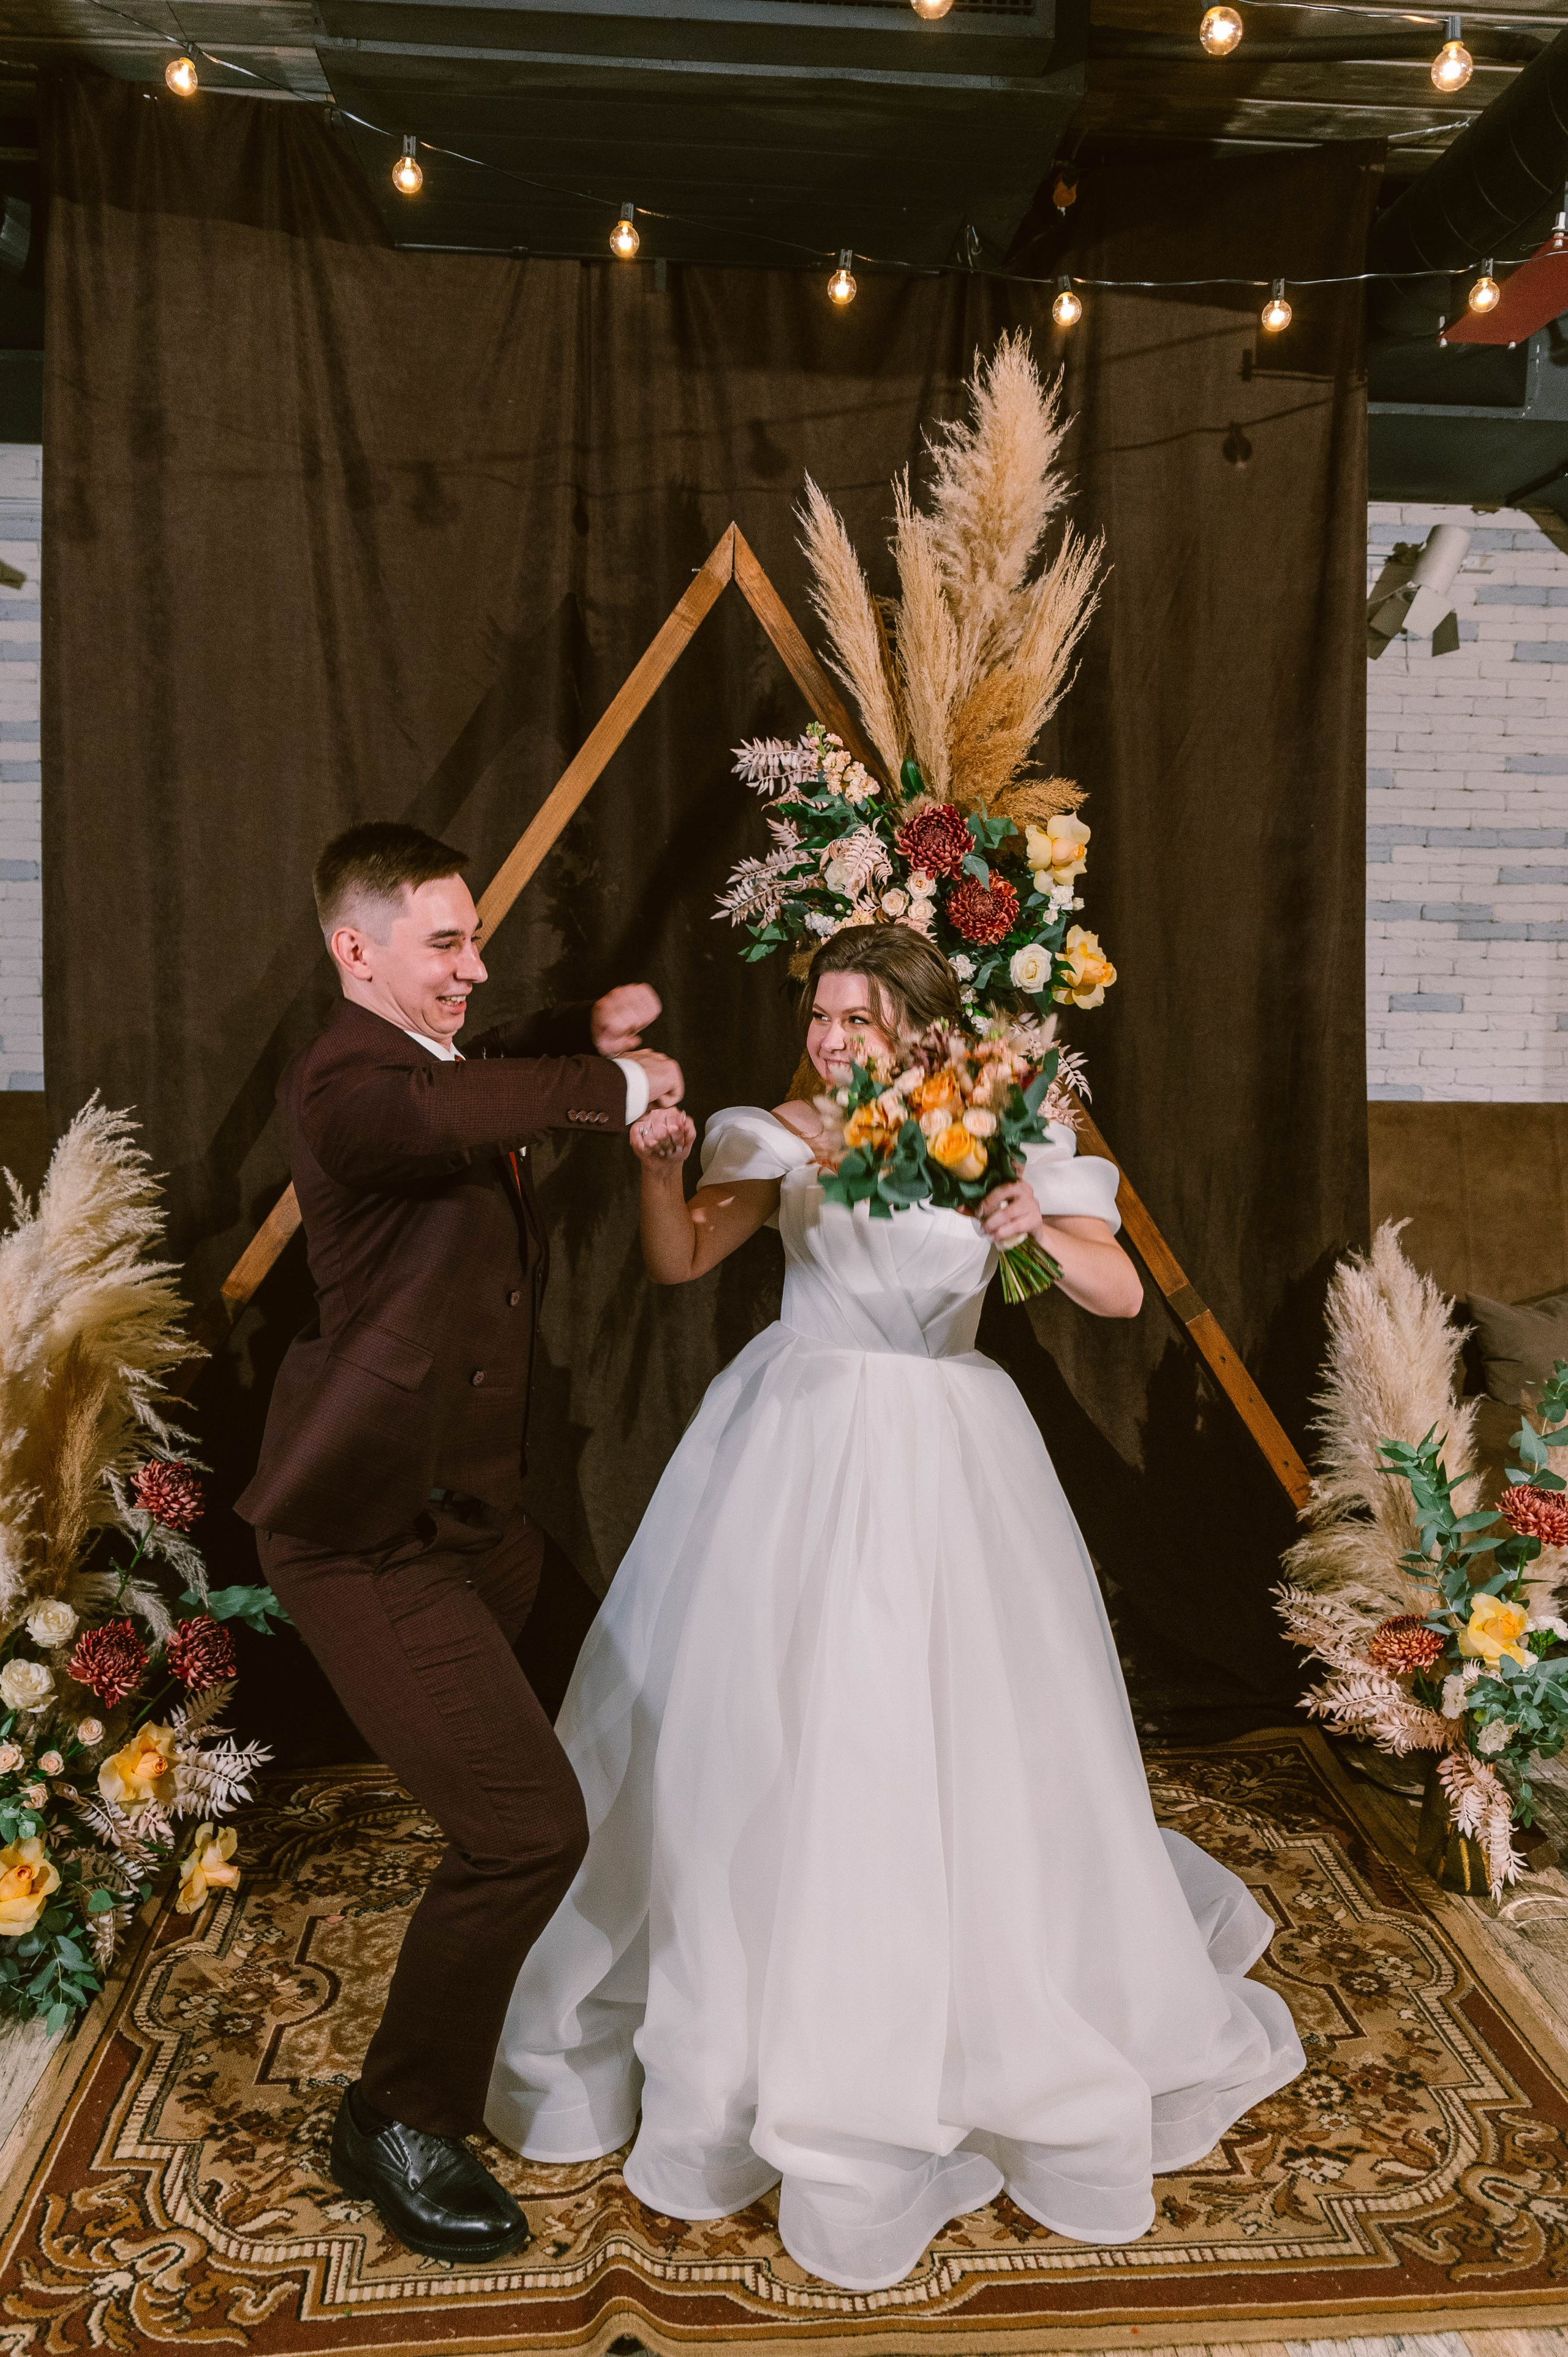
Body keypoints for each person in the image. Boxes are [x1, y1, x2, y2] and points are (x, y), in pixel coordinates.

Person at [486, 923, 1304, 2293]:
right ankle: (749, 2012)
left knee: (948, 1739)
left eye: (857, 1018)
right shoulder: (779, 1126)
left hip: (947, 1449)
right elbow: (684, 1261)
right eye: (818, 1012)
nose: (827, 1038)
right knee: (772, 1736)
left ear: (925, 1028)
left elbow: (1110, 1288)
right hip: (794, 1433)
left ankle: (954, 2010)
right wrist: (663, 1171)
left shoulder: (1003, 1118)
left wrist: (1028, 1218)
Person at [236, 820, 683, 2268]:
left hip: (477, 1519)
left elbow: (472, 1071)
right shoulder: (343, 1084)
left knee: (629, 1718)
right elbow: (438, 1113)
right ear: (350, 952)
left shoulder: (428, 1057)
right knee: (524, 1828)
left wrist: (573, 1027)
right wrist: (607, 1081)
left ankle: (609, 2003)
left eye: (473, 937)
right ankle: (396, 2113)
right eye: (444, 944)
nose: (469, 966)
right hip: (366, 1541)